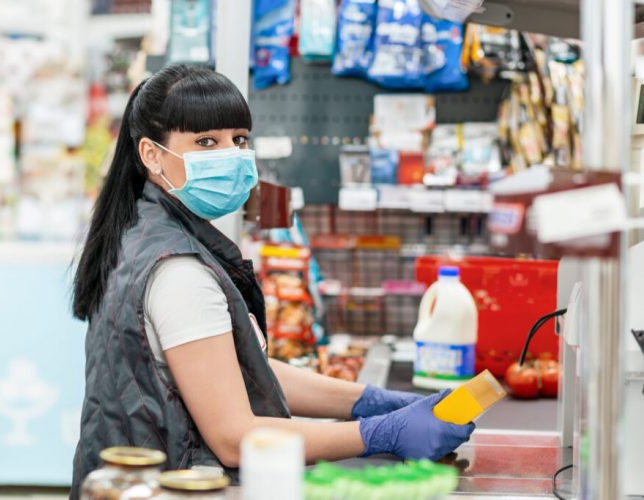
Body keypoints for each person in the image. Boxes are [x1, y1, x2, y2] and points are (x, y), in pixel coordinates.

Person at [70, 64, 474, 497]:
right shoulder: (178, 270)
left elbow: (234, 369)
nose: (230, 154)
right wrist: (378, 433)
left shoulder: (144, 231)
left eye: (239, 139)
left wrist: (367, 401)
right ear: (151, 154)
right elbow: (233, 438)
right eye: (206, 142)